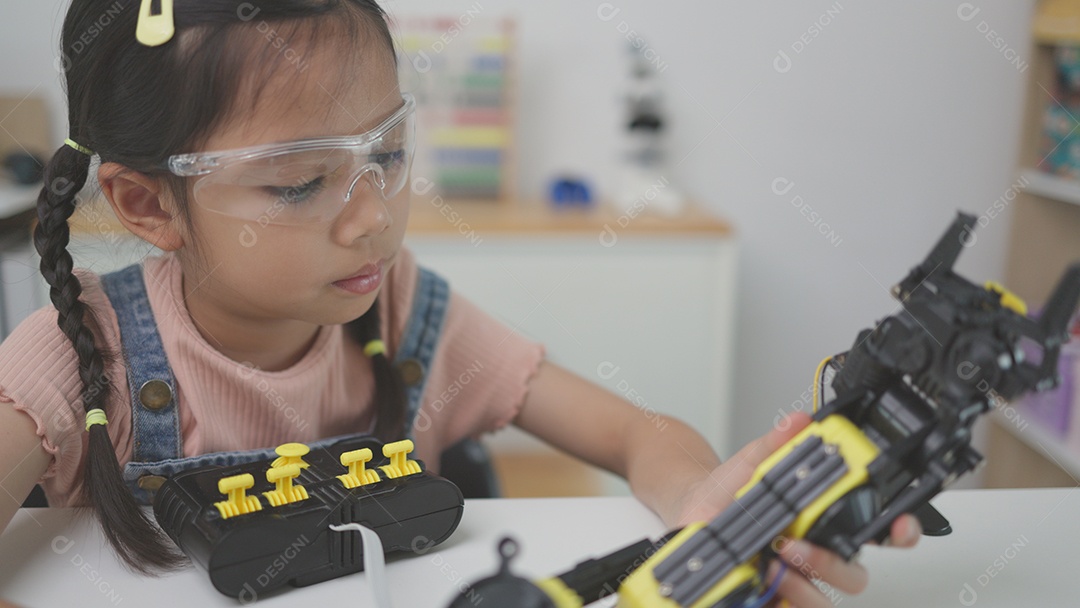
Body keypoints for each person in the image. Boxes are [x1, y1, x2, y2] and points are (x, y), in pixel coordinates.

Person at [0, 1, 919, 606]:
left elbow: (640, 436)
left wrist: (708, 505)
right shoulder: (80, 355)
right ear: (149, 205)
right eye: (297, 185)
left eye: (388, 154)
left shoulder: (403, 316)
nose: (372, 219)